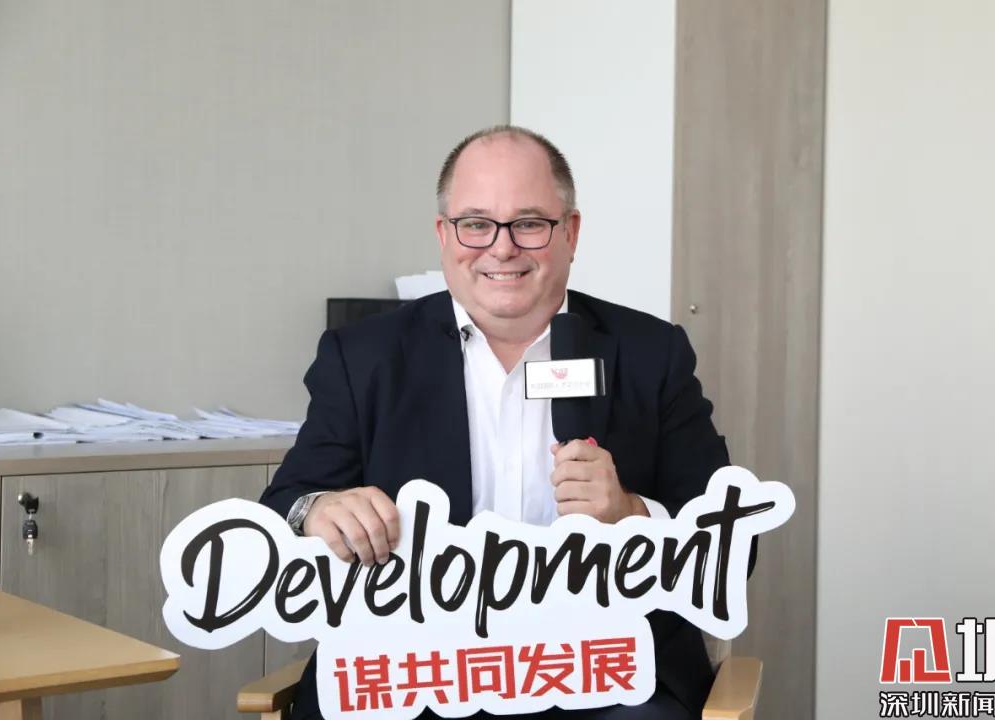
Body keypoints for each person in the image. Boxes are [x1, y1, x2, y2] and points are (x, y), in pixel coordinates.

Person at [261, 126, 735, 720]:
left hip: (605, 673)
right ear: (444, 235)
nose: (502, 248)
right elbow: (285, 505)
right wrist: (319, 510)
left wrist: (631, 515)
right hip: (417, 670)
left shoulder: (650, 354)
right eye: (476, 223)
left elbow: (727, 545)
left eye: (529, 223)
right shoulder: (363, 358)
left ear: (571, 233)